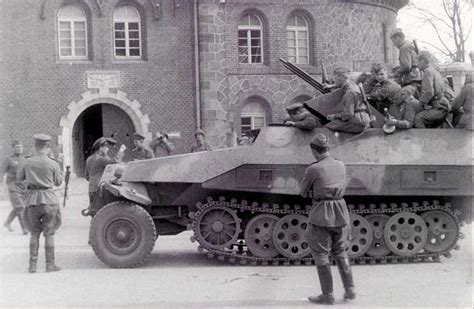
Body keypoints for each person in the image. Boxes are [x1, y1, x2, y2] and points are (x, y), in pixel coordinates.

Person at [300, 134, 355, 305]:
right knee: (340, 251)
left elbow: (302, 192)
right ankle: (350, 289)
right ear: (328, 149)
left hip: (322, 214)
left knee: (321, 254)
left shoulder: (314, 169)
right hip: (340, 211)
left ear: (314, 151)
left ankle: (328, 295)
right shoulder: (340, 164)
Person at [17, 134, 63, 273]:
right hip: (49, 199)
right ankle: (50, 265)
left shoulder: (27, 162)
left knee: (34, 233)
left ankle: (32, 265)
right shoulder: (52, 163)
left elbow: (19, 178)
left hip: (32, 200)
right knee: (49, 233)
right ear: (47, 146)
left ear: (35, 146)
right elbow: (58, 182)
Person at [325, 67, 371, 133]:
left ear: (341, 77)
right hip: (363, 119)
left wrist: (334, 116)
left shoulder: (349, 93)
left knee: (327, 126)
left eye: (334, 78)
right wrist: (331, 86)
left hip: (357, 123)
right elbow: (342, 86)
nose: (334, 81)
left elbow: (348, 114)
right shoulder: (353, 85)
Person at [414, 51, 450, 128]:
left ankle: (423, 140)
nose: (416, 65)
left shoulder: (427, 72)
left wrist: (419, 105)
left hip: (439, 108)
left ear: (422, 61)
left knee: (418, 118)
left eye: (417, 61)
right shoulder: (434, 71)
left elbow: (429, 92)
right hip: (442, 105)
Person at [85, 137, 124, 205]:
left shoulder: (89, 159)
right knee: (103, 212)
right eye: (105, 147)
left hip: (91, 189)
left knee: (94, 211)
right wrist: (121, 150)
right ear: (100, 148)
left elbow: (87, 176)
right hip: (100, 190)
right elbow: (115, 161)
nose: (107, 149)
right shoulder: (100, 159)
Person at [2, 140, 28, 234]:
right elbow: (1, 172)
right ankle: (25, 228)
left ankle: (7, 223)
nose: (19, 149)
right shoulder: (9, 159)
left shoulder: (25, 158)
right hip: (12, 185)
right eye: (17, 147)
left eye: (21, 147)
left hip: (23, 186)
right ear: (13, 148)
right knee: (20, 207)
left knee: (19, 206)